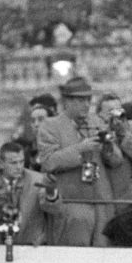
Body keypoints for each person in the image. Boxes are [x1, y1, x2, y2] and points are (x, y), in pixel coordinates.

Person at [37, 77, 122, 246]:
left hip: (102, 205)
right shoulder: (50, 126)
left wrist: (108, 148)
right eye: (81, 100)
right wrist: (80, 149)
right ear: (67, 101)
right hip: (71, 206)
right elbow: (48, 161)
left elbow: (116, 161)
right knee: (73, 258)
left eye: (88, 100)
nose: (86, 104)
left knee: (102, 261)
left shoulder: (98, 122)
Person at [0, 142, 60, 246]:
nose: (19, 167)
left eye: (21, 162)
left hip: (32, 248)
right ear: (1, 163)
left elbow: (55, 210)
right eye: (13, 163)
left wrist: (51, 195)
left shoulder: (38, 180)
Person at [96, 94, 132, 206]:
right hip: (104, 199)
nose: (115, 116)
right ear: (99, 115)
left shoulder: (127, 132)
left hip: (127, 198)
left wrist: (123, 134)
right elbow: (113, 159)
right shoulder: (94, 132)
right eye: (110, 112)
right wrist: (106, 133)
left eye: (118, 111)